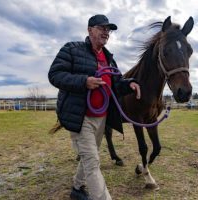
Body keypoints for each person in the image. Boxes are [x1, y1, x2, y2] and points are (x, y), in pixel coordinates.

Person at [48, 14, 141, 200]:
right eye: (102, 28)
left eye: (109, 30)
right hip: (81, 118)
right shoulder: (72, 49)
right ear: (90, 30)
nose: (106, 32)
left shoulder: (109, 59)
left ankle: (76, 187)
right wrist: (84, 81)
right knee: (92, 161)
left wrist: (129, 84)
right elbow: (55, 74)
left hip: (102, 118)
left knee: (91, 155)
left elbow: (116, 84)